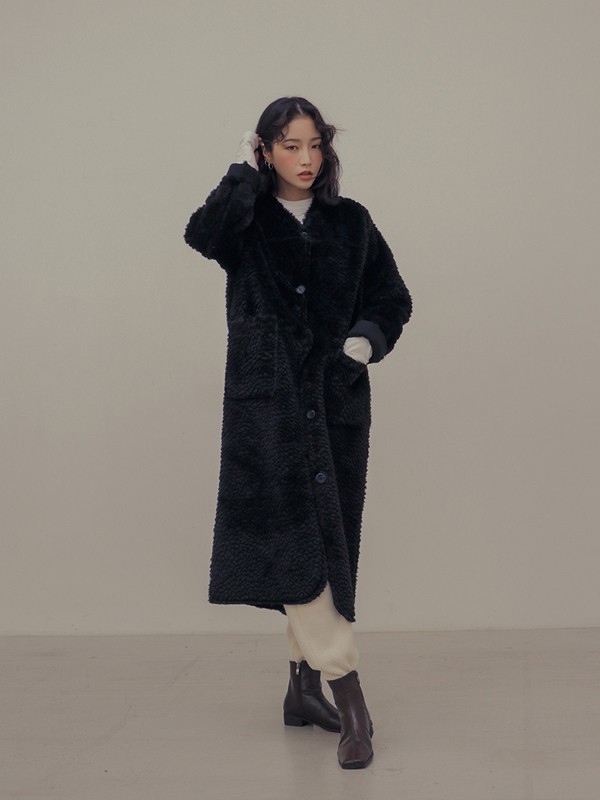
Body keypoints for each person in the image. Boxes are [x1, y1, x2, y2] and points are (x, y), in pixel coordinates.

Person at [183, 96, 412, 769]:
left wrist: (363, 343)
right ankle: (351, 699)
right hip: (269, 410)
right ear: (265, 149)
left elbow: (392, 297)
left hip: (335, 406)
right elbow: (203, 234)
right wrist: (241, 175)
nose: (306, 159)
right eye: (289, 145)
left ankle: (299, 690)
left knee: (321, 549)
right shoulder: (246, 220)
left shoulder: (352, 222)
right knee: (296, 545)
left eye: (315, 145)